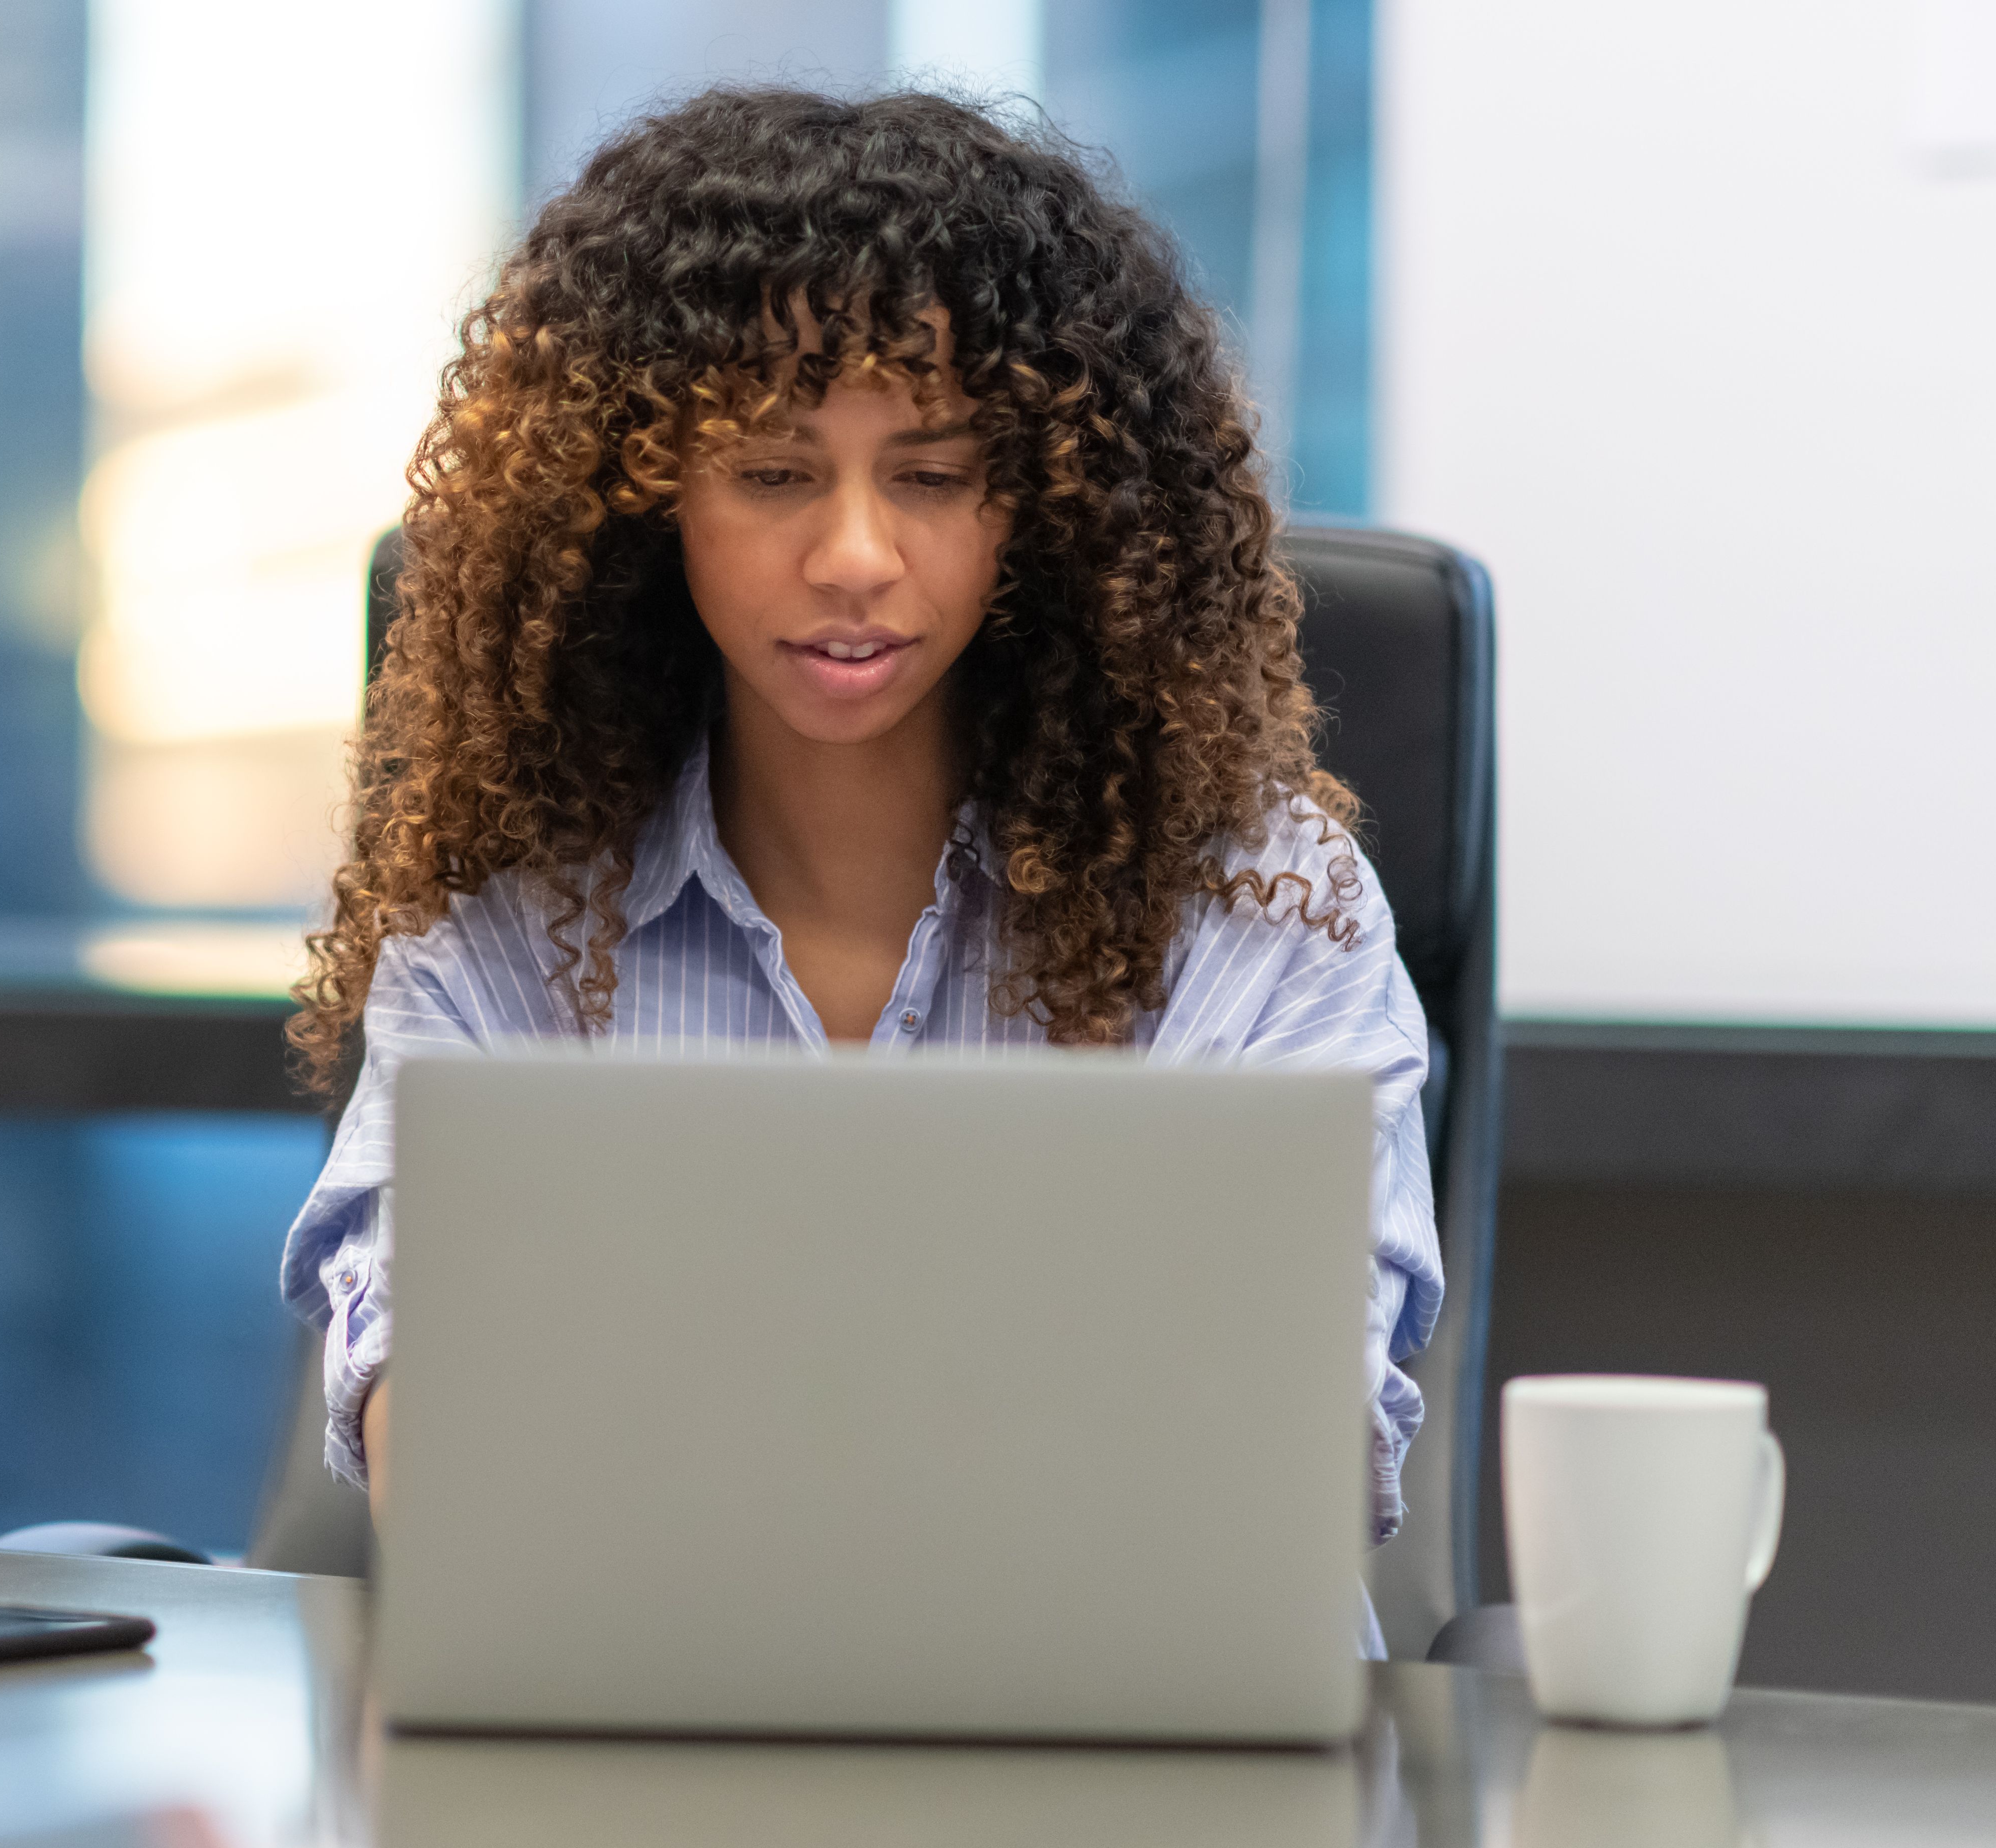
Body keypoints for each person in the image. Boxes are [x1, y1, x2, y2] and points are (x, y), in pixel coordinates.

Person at [279, 86, 1441, 1592]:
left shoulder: (1257, 908)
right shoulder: (506, 918)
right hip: (646, 1782)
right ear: (644, 502)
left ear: (1041, 507)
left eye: (936, 477)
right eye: (771, 474)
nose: (855, 558)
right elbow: (446, 1476)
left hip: (1156, 1785)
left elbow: (1289, 1480)